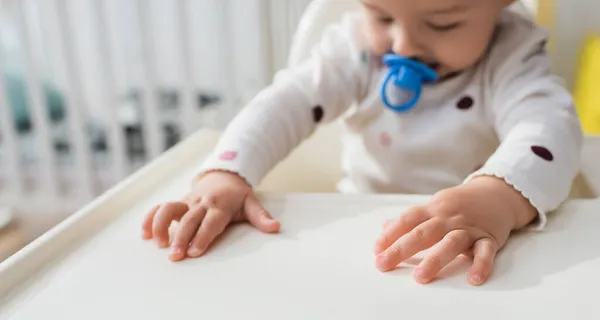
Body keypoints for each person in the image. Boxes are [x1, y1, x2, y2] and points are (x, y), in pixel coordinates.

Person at [142, 0, 582, 286]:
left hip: (472, 246)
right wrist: (226, 172)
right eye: (382, 17)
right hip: (363, 231)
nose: (403, 45)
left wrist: (498, 198)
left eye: (443, 22)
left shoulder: (511, 54)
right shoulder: (355, 50)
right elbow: (287, 102)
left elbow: (549, 127)